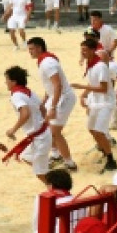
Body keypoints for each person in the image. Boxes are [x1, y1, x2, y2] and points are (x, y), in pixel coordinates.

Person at [28, 38, 78, 171]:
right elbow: (50, 85)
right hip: (57, 96)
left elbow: (58, 85)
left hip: (63, 98)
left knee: (55, 132)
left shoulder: (47, 63)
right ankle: (56, 155)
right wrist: (45, 101)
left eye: (31, 49)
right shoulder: (45, 60)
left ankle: (70, 163)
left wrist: (53, 107)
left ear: (39, 48)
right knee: (48, 129)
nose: (30, 52)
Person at [72, 37, 117, 172]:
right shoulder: (91, 65)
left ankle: (111, 159)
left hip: (106, 103)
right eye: (81, 50)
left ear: (93, 50)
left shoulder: (101, 66)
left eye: (85, 50)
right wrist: (84, 94)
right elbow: (93, 84)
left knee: (99, 131)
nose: (83, 53)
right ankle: (105, 152)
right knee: (92, 129)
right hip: (96, 102)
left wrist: (81, 87)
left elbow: (103, 88)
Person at [3, 65, 53, 182]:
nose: (5, 82)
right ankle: (46, 168)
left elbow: (25, 113)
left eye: (7, 80)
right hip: (42, 133)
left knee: (40, 174)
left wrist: (13, 130)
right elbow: (42, 108)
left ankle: (55, 189)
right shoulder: (29, 91)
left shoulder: (17, 95)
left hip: (39, 137)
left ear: (14, 82)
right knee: (25, 156)